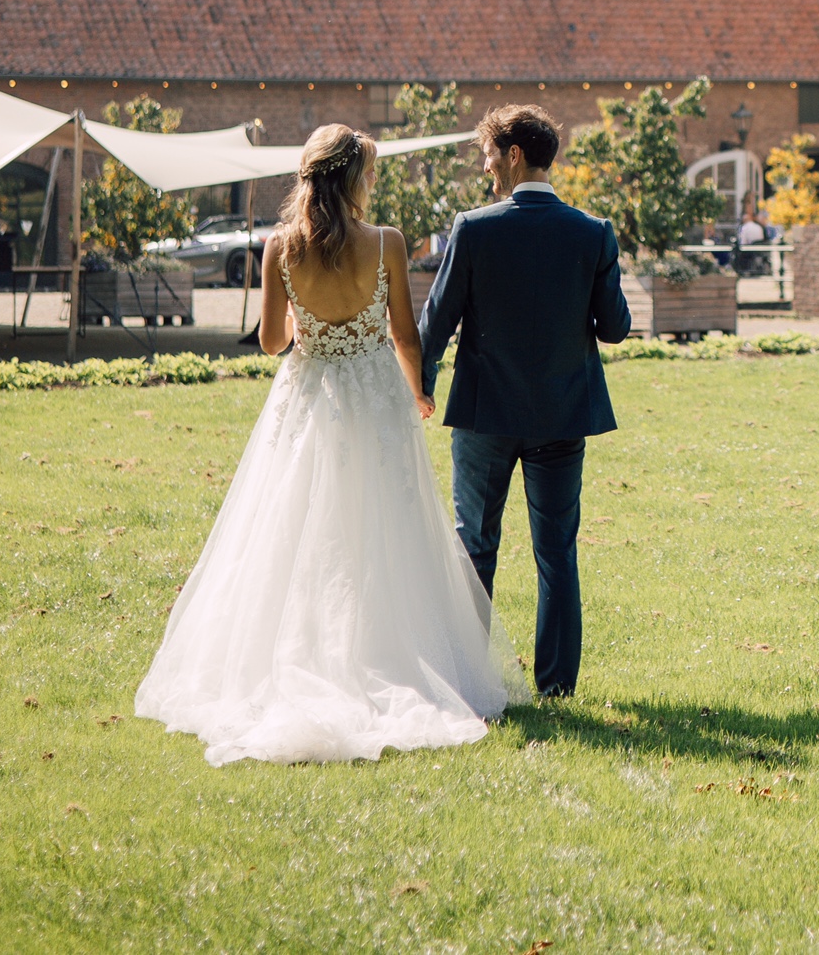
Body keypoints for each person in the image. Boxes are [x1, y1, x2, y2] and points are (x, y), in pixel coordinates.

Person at [136, 125, 518, 765]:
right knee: (386, 527)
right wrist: (417, 390)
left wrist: (314, 330)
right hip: (374, 394)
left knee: (296, 526)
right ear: (352, 178)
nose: (371, 183)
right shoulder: (388, 243)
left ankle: (298, 653)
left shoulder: (280, 246)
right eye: (367, 172)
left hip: (310, 394)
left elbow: (270, 340)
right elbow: (404, 333)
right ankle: (391, 655)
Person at [417, 104, 629, 698]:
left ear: (514, 155)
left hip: (485, 414)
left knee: (475, 544)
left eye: (489, 156)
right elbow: (614, 328)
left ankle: (465, 679)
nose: (486, 168)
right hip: (562, 414)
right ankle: (557, 688)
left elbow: (438, 319)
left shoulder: (474, 228)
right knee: (556, 552)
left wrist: (422, 384)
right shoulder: (594, 233)